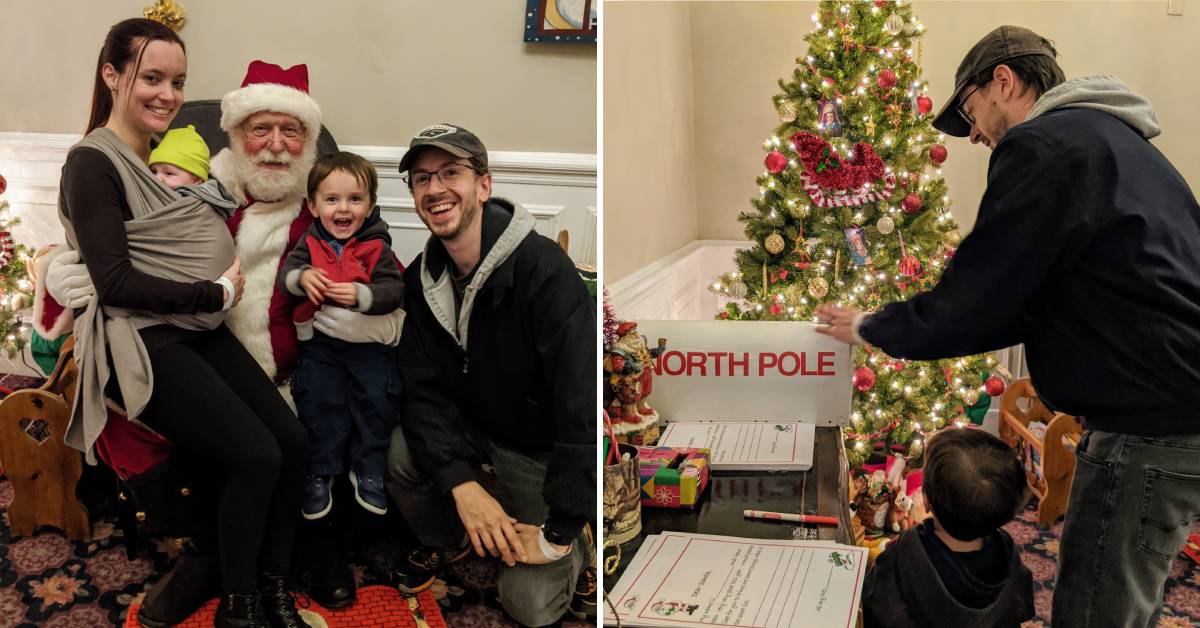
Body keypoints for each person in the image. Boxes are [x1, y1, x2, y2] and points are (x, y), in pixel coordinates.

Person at [814, 25, 1200, 628]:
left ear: (1004, 81)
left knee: (1099, 605)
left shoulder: (1046, 145)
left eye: (970, 110)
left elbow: (980, 296)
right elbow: (1025, 297)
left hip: (1150, 421)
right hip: (1169, 407)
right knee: (1130, 594)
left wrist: (870, 325)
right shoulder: (1111, 142)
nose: (972, 132)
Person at [45, 58, 400, 620]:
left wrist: (366, 311)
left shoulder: (329, 209)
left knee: (300, 435)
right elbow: (119, 245)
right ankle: (208, 554)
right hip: (198, 357)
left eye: (292, 132)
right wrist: (60, 269)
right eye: (261, 128)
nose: (276, 146)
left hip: (299, 373)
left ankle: (294, 552)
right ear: (236, 136)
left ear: (309, 144)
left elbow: (381, 271)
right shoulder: (195, 190)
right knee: (205, 436)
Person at [59, 19, 310, 628]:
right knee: (255, 456)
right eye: (151, 77)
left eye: (176, 81)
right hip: (141, 339)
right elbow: (115, 282)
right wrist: (214, 290)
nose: (167, 94)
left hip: (193, 328)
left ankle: (274, 591)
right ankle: (240, 607)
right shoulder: (92, 161)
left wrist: (208, 297)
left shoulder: (153, 157)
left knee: (295, 444)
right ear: (111, 74)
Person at [386, 123, 596, 625]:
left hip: (535, 444)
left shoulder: (543, 269)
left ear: (484, 184)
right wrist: (461, 483)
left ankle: (584, 539)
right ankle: (453, 537)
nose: (435, 189)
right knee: (396, 455)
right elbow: (420, 389)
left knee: (532, 608)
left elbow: (581, 400)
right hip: (472, 426)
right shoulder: (419, 278)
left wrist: (562, 528)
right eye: (421, 179)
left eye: (451, 173)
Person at [279, 151, 404, 519]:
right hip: (322, 347)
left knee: (377, 400)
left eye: (355, 199)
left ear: (370, 206)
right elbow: (287, 277)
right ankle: (321, 470)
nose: (343, 209)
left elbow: (393, 290)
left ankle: (369, 470)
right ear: (314, 207)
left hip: (369, 348)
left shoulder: (377, 246)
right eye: (331, 199)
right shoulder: (309, 243)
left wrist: (364, 296)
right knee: (318, 399)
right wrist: (301, 279)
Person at [861, 427, 1034, 627]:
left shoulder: (902, 553)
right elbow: (1023, 607)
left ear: (926, 501)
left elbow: (872, 606)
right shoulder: (1009, 557)